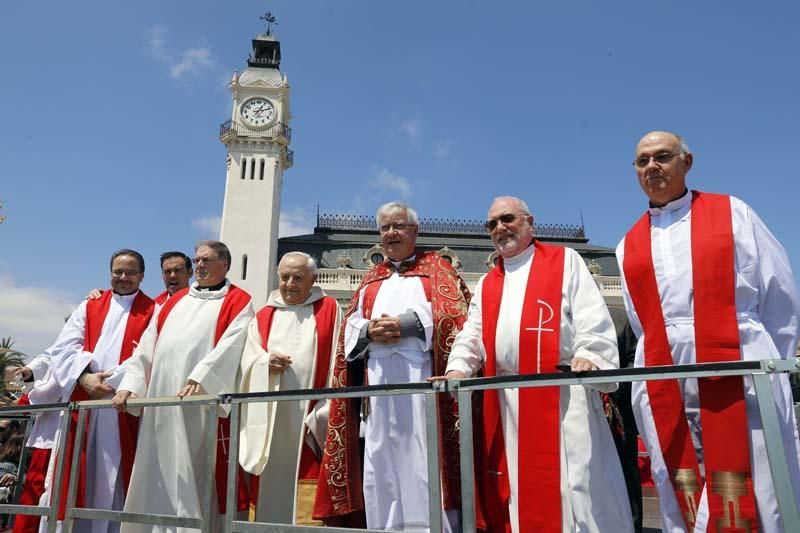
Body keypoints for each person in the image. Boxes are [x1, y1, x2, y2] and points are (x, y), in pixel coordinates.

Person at [616, 131, 800, 532]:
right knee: (678, 476)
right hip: (665, 372)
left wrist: (767, 361)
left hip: (737, 362)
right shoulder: (627, 243)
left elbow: (779, 293)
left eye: (662, 156)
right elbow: (639, 320)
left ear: (687, 161)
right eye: (642, 161)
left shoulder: (733, 213)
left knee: (756, 474)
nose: (652, 167)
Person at [437, 196, 632, 533]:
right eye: (492, 223)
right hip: (507, 402)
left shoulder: (565, 260)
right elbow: (473, 334)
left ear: (530, 222)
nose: (499, 228)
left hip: (563, 396)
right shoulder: (488, 282)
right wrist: (458, 367)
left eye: (507, 218)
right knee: (515, 486)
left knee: (577, 486)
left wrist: (590, 353)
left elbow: (592, 317)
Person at [314, 202, 470, 531]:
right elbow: (350, 328)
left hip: (423, 387)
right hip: (378, 390)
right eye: (385, 228)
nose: (391, 233)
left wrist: (411, 325)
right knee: (379, 463)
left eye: (398, 226)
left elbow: (459, 318)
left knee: (423, 460)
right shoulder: (371, 278)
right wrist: (368, 330)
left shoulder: (439, 270)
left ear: (415, 231)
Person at [113, 240, 254, 533]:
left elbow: (234, 343)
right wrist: (131, 383)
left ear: (225, 265)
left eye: (206, 260)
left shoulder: (239, 301)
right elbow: (147, 347)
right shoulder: (174, 301)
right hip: (161, 401)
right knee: (156, 469)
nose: (199, 265)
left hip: (197, 403)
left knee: (192, 470)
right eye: (197, 260)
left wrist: (200, 378)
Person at [40, 249, 155, 533]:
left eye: (130, 272)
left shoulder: (154, 311)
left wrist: (111, 381)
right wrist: (84, 378)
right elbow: (64, 347)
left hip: (120, 406)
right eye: (118, 271)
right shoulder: (89, 306)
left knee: (115, 480)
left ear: (142, 275)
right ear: (110, 273)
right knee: (74, 476)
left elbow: (148, 355)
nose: (124, 277)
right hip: (84, 404)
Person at [239, 252, 342, 525]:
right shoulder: (263, 314)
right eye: (285, 277)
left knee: (306, 485)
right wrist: (264, 362)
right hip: (270, 422)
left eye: (298, 278)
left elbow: (337, 360)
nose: (290, 284)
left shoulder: (329, 309)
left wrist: (325, 408)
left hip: (309, 420)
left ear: (313, 280)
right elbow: (247, 360)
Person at [8, 356, 62, 533]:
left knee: (36, 496)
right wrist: (30, 371)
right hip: (50, 434)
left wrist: (23, 402)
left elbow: (49, 387)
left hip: (52, 437)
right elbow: (49, 356)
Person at [87, 251, 193, 305]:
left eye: (178, 270)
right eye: (167, 272)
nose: (172, 275)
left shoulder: (205, 301)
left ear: (190, 273)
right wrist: (105, 297)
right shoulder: (155, 307)